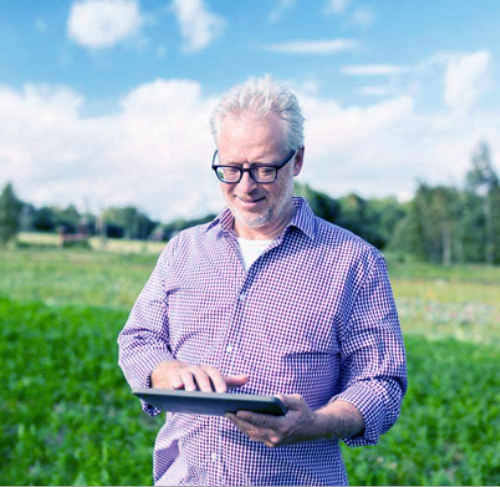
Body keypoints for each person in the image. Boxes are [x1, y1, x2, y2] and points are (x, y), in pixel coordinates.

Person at [118, 75, 408, 486]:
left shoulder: (355, 262)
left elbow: (381, 382)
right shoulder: (184, 249)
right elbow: (138, 337)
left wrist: (316, 423)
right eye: (231, 168)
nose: (245, 186)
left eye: (264, 169)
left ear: (298, 160)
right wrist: (163, 372)